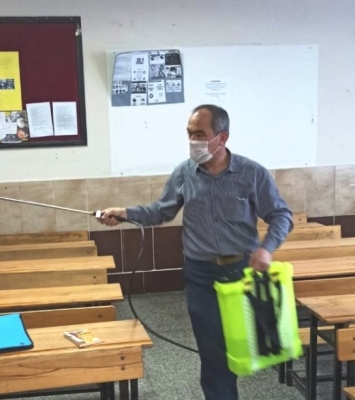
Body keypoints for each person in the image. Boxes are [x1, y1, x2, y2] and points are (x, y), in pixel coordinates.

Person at [98, 104, 293, 400]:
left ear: (222, 137)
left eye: (200, 134)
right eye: (190, 134)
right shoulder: (184, 173)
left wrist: (267, 249)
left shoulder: (252, 173)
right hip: (201, 275)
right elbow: (161, 211)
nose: (193, 141)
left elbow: (281, 215)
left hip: (242, 273)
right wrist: (125, 213)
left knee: (244, 345)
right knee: (212, 351)